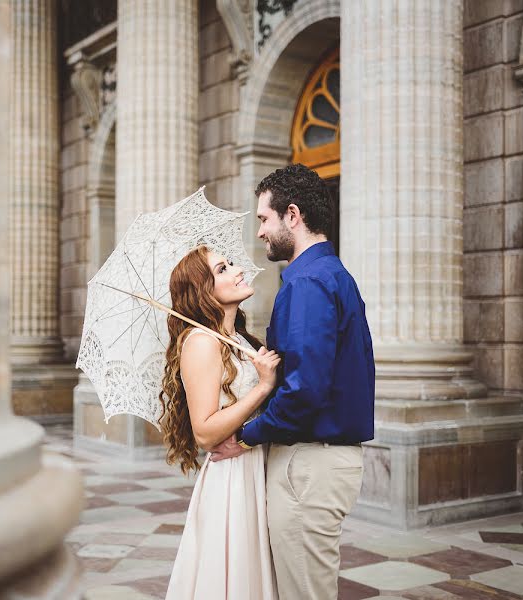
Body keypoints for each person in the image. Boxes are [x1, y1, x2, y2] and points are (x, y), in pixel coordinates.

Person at [209, 163, 375, 600]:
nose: (261, 232)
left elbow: (304, 388)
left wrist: (244, 437)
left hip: (309, 464)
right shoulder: (331, 276)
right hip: (318, 462)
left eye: (264, 218)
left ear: (293, 215)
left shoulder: (307, 282)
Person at [160, 245, 280, 600]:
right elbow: (205, 432)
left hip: (256, 463)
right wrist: (263, 387)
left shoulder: (238, 339)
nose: (238, 270)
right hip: (233, 476)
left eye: (231, 263)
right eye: (223, 269)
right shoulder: (201, 342)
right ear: (204, 291)